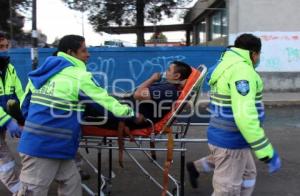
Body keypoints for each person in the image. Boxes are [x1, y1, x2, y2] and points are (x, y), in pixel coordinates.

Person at [17, 35, 142, 196]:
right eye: (84, 50)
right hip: (43, 147)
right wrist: (132, 115)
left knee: (72, 185)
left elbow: (24, 105)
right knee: (33, 191)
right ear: (71, 52)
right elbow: (104, 103)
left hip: (54, 144)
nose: (88, 54)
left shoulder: (40, 74)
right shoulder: (78, 75)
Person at [186, 34, 281, 195]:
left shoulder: (226, 63)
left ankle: (197, 168)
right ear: (254, 53)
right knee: (227, 190)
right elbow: (245, 115)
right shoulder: (242, 71)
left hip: (227, 136)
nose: (258, 59)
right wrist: (265, 150)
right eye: (259, 54)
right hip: (231, 141)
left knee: (248, 174)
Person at [84, 60, 192, 129]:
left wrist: (152, 79)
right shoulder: (168, 87)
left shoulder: (167, 89)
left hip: (129, 118)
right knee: (93, 100)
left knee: (86, 107)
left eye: (169, 70)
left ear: (177, 76)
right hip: (124, 109)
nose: (165, 71)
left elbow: (138, 94)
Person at [0, 33, 24, 195]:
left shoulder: (9, 68)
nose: (4, 50)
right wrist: (8, 121)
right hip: (2, 120)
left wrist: (23, 117)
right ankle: (18, 191)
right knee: (4, 159)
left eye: (6, 46)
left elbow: (19, 94)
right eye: (0, 47)